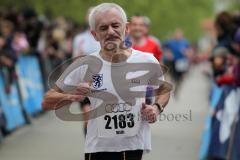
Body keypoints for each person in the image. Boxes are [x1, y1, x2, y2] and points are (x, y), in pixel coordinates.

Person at [42, 3, 170, 160]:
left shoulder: (146, 60)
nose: (110, 31)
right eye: (103, 28)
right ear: (94, 34)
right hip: (98, 150)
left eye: (115, 25)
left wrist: (156, 108)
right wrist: (72, 94)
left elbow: (164, 89)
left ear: (126, 28)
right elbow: (46, 102)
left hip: (134, 148)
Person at [72, 7, 101, 135]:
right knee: (88, 118)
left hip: (103, 81)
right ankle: (90, 149)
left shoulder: (106, 36)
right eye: (89, 14)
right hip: (85, 81)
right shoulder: (79, 38)